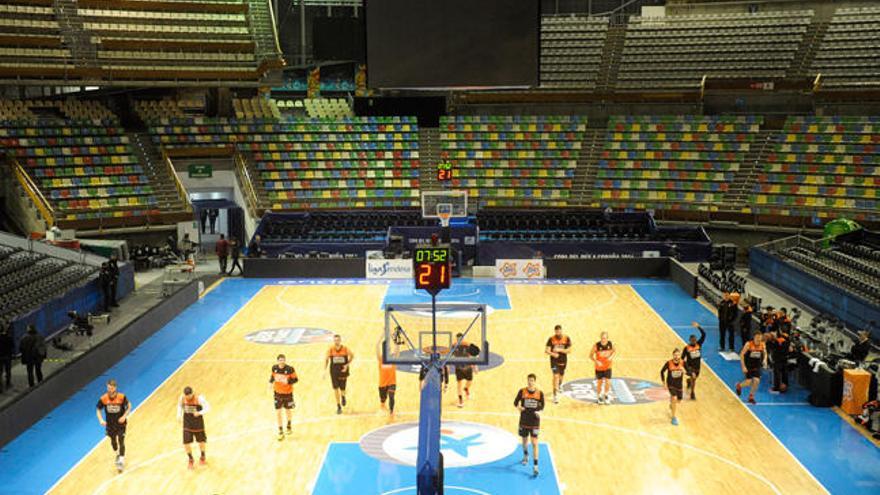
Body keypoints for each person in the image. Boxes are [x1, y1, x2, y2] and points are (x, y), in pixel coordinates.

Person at [96, 379, 131, 472]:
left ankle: (121, 460)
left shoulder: (121, 397)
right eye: (108, 388)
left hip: (120, 424)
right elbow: (98, 409)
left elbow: (129, 406)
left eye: (111, 388)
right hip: (110, 425)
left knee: (121, 440)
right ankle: (117, 454)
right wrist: (100, 419)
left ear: (115, 388)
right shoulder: (104, 398)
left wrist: (124, 416)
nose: (109, 389)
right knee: (113, 442)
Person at [514, 373, 544, 477]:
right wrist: (519, 408)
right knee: (524, 440)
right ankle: (526, 455)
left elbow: (542, 406)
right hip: (524, 420)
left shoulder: (540, 393)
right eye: (529, 380)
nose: (530, 382)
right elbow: (515, 402)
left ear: (535, 381)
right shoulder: (522, 391)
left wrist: (539, 412)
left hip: (535, 421)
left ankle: (535, 466)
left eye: (532, 380)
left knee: (535, 443)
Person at [178, 386, 210, 469]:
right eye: (186, 396)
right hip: (187, 423)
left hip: (198, 423)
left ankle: (203, 456)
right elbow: (179, 406)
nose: (188, 397)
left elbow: (208, 408)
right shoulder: (182, 398)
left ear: (192, 393)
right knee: (186, 443)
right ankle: (190, 459)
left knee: (201, 441)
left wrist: (200, 412)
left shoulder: (199, 399)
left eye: (189, 395)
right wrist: (178, 415)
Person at [270, 354, 298, 440]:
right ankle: (280, 431)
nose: (282, 361)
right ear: (277, 361)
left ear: (285, 360)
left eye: (283, 360)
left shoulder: (290, 369)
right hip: (277, 394)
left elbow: (296, 379)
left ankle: (289, 425)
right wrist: (270, 383)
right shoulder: (274, 368)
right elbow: (272, 377)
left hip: (288, 394)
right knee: (278, 412)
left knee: (288, 410)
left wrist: (288, 381)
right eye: (280, 360)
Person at [325, 335, 354, 414]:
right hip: (334, 371)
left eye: (338, 340)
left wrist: (347, 365)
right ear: (334, 341)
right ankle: (338, 406)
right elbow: (326, 359)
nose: (336, 341)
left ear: (340, 340)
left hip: (343, 370)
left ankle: (343, 396)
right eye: (335, 340)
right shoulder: (331, 349)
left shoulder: (345, 348)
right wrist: (324, 370)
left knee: (342, 388)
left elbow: (352, 355)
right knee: (335, 389)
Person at [736, 333, 767, 405]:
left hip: (757, 365)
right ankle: (739, 385)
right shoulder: (748, 344)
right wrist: (743, 366)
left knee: (756, 381)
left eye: (760, 338)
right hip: (748, 365)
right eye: (757, 338)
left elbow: (765, 353)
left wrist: (765, 360)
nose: (758, 339)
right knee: (749, 382)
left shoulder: (762, 344)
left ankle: (751, 397)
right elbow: (742, 354)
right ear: (754, 337)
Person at [545, 324, 571, 404]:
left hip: (563, 360)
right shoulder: (551, 339)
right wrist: (553, 354)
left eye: (559, 331)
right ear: (555, 332)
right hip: (554, 361)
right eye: (557, 332)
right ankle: (555, 395)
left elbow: (569, 350)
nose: (558, 333)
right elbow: (547, 350)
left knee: (561, 375)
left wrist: (559, 350)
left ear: (561, 331)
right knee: (555, 376)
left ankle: (560, 385)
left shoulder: (566, 338)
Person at [660, 349, 686, 425]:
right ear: (673, 355)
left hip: (679, 385)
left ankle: (672, 404)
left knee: (678, 401)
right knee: (674, 398)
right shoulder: (668, 363)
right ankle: (674, 417)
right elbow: (662, 371)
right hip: (671, 384)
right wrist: (663, 382)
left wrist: (685, 371)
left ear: (680, 356)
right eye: (675, 355)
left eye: (678, 355)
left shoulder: (683, 363)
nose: (676, 356)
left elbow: (689, 373)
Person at [452, 333, 477, 408]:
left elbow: (471, 356)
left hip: (467, 366)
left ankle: (466, 388)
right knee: (459, 384)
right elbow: (450, 355)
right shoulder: (453, 346)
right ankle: (460, 400)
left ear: (463, 339)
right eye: (458, 339)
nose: (459, 340)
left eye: (461, 339)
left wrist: (474, 366)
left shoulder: (467, 345)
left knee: (469, 381)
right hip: (459, 367)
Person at [683, 322, 707, 400]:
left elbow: (704, 334)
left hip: (697, 366)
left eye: (695, 340)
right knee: (693, 377)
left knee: (694, 378)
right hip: (690, 367)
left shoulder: (698, 344)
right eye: (692, 340)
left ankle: (688, 381)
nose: (694, 341)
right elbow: (682, 359)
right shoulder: (686, 348)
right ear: (690, 340)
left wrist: (698, 327)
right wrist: (686, 368)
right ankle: (692, 393)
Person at [590, 332, 615, 404]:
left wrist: (611, 357)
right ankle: (599, 396)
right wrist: (596, 361)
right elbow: (591, 356)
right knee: (599, 383)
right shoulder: (596, 346)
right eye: (602, 338)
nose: (603, 339)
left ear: (607, 338)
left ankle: (606, 395)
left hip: (608, 367)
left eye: (605, 338)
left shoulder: (611, 344)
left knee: (608, 382)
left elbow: (614, 351)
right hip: (599, 368)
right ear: (600, 338)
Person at [376, 340, 397, 418]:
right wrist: (380, 338)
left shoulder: (393, 358)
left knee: (391, 396)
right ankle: (383, 405)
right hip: (382, 383)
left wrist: (396, 341)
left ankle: (391, 411)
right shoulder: (381, 359)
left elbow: (396, 350)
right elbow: (377, 347)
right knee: (383, 400)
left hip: (392, 382)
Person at [766, 329, 790, 393]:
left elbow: (772, 348)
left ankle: (776, 388)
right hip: (785, 358)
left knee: (777, 373)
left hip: (778, 359)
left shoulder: (775, 342)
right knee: (785, 372)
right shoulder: (785, 339)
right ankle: (786, 385)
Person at [0, 323, 13, 392]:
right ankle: (8, 384)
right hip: (7, 356)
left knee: (0, 372)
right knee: (8, 371)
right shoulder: (9, 338)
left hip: (0, 357)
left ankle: (0, 387)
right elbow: (12, 347)